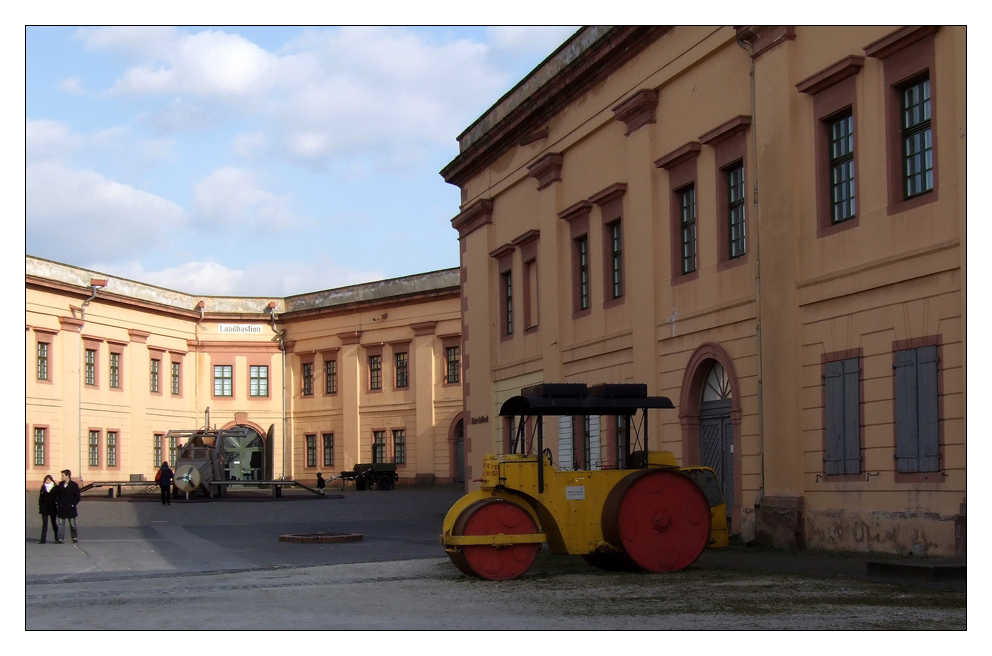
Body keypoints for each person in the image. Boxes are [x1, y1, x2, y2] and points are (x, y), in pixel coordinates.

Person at [55, 469, 81, 543]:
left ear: (68, 476)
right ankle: (60, 538)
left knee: (73, 524)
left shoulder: (74, 485)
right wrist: (57, 502)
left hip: (70, 508)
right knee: (61, 524)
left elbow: (77, 497)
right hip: (62, 508)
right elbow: (57, 495)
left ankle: (74, 537)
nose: (61, 477)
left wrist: (73, 504)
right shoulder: (60, 484)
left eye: (63, 475)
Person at [38, 474, 59, 544]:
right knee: (45, 524)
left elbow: (57, 497)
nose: (47, 481)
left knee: (53, 523)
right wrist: (40, 505)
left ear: (51, 480)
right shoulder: (43, 487)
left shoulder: (55, 487)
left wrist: (57, 504)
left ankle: (57, 537)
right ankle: (43, 539)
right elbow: (40, 497)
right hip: (44, 508)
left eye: (48, 480)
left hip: (52, 507)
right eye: (46, 480)